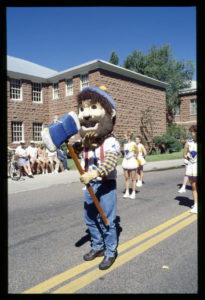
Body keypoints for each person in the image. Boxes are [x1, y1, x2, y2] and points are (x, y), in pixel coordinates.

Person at [75, 86, 120, 270]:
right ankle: (98, 246)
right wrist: (77, 146)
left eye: (93, 108)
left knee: (106, 219)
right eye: (83, 109)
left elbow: (110, 163)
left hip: (105, 185)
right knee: (90, 219)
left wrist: (93, 173)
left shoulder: (111, 141)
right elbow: (71, 153)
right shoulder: (87, 142)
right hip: (90, 186)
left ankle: (110, 252)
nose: (86, 115)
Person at [183, 125, 197, 213]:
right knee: (194, 187)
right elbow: (184, 154)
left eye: (192, 132)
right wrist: (190, 159)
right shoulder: (188, 143)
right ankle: (196, 204)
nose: (191, 134)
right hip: (192, 166)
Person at [122, 131, 138, 199]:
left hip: (131, 161)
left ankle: (133, 192)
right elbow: (125, 153)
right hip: (126, 161)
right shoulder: (125, 143)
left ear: (128, 137)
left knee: (133, 178)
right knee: (126, 178)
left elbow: (137, 151)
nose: (124, 137)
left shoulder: (133, 143)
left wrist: (135, 156)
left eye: (125, 136)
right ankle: (127, 192)